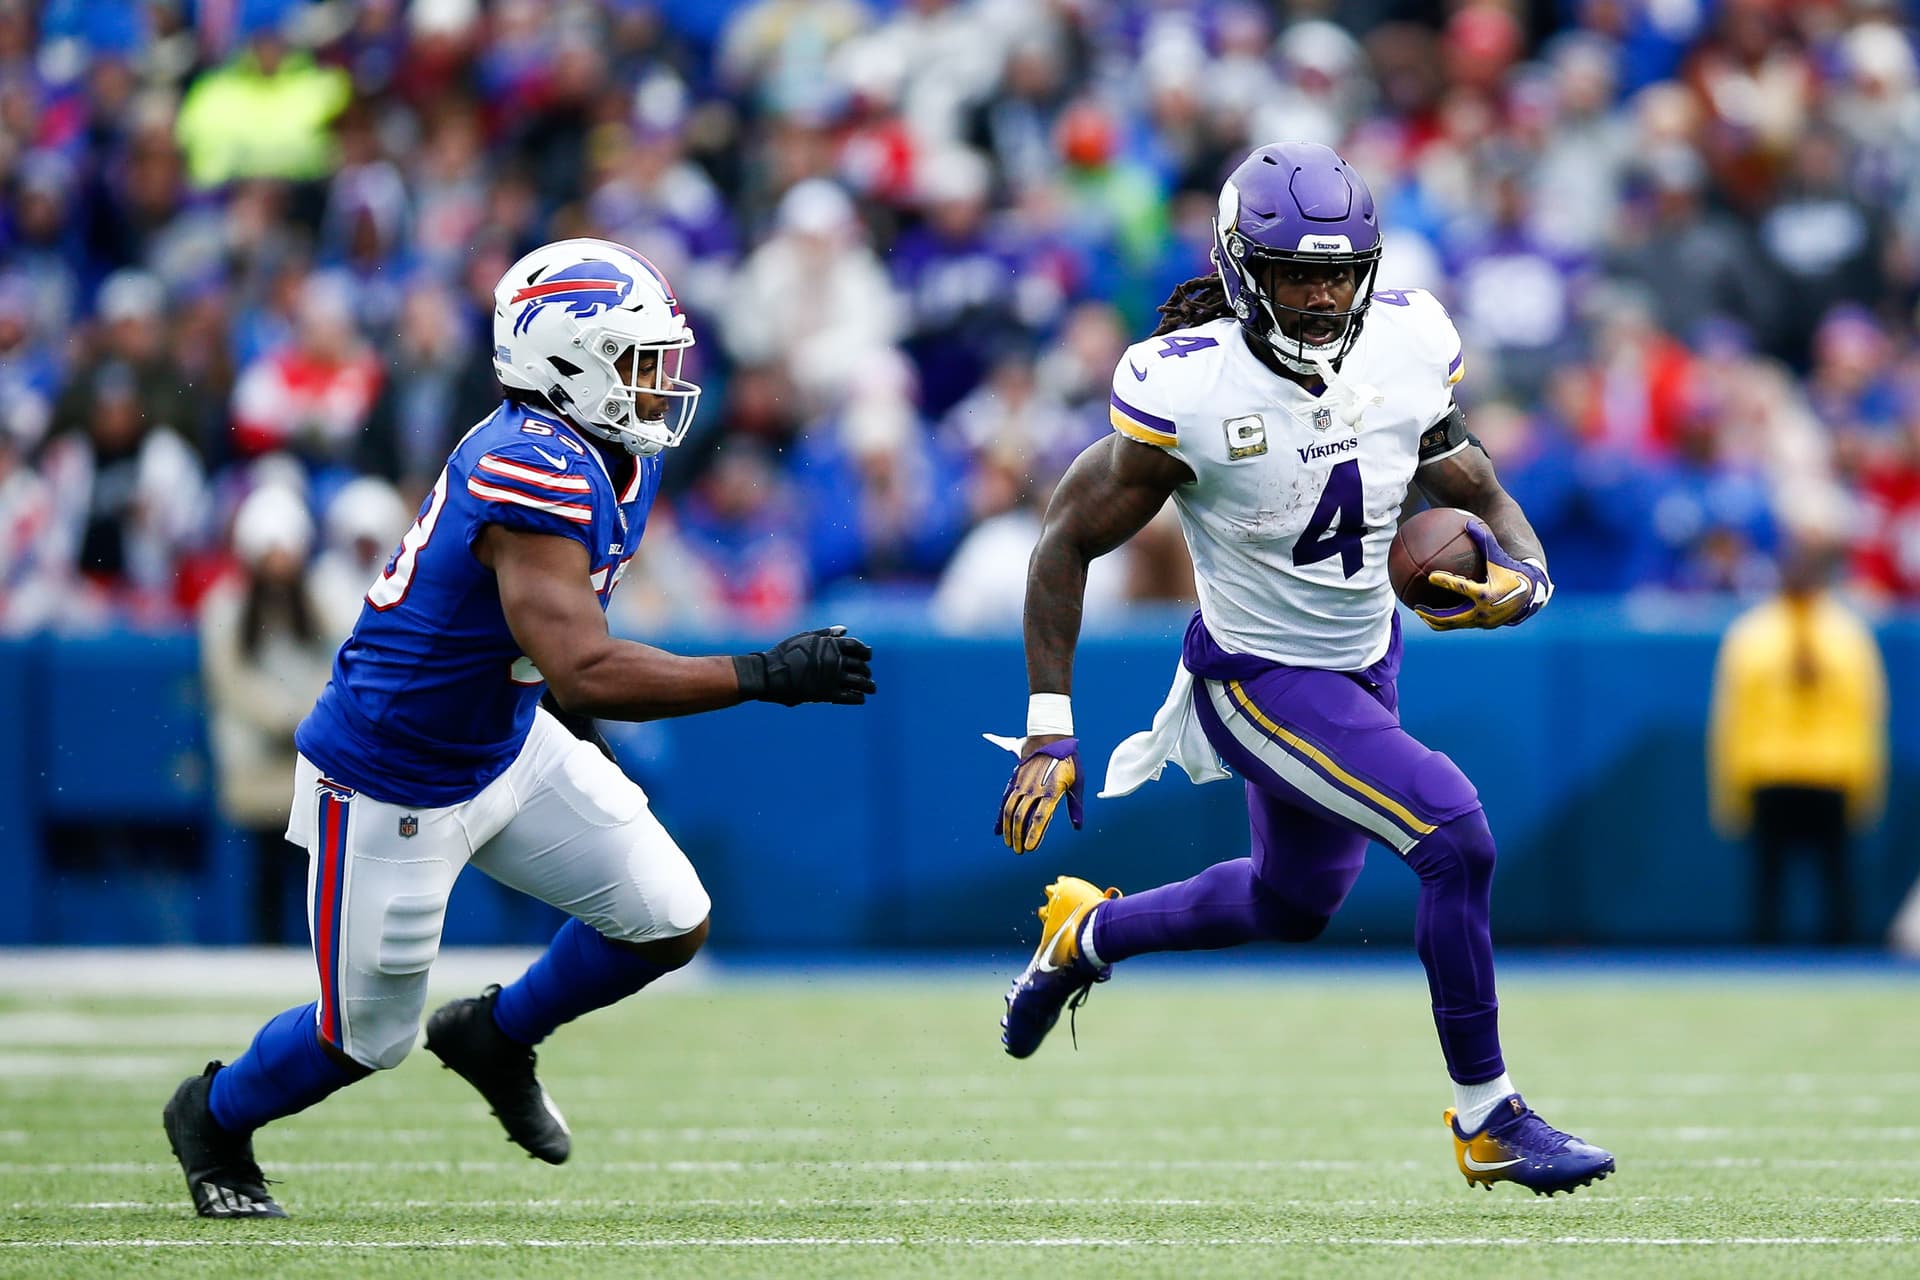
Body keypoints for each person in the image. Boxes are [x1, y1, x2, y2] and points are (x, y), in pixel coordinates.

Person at [162, 238, 877, 1219]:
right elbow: (584, 663)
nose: (661, 383)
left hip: (503, 737)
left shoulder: (610, 447)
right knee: (362, 1036)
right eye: (637, 360)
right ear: (568, 362)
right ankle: (213, 1114)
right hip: (390, 776)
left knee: (669, 915)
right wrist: (762, 673)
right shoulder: (529, 463)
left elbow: (562, 663)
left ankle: (499, 1031)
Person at [988, 143, 1614, 1197]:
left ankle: (1085, 932)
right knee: (1453, 835)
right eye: (1296, 273)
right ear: (1243, 270)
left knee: (1293, 901)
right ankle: (1488, 1115)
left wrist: (1528, 576)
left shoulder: (1409, 341)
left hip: (1365, 661)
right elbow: (1063, 538)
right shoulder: (1187, 387)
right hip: (1257, 678)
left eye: (1338, 271)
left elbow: (1471, 477)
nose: (1323, 295)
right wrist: (1051, 720)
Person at [1709, 536, 1887, 945]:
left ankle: (1839, 960)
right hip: (1774, 771)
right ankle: (1767, 963)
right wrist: (1731, 788)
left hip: (1828, 770)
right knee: (1770, 882)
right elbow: (1733, 717)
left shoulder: (1842, 633)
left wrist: (1866, 783)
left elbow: (1868, 713)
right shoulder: (1759, 634)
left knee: (1835, 881)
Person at [199, 484, 337, 943]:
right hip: (254, 765)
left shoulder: (323, 601)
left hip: (309, 764)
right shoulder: (226, 607)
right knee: (260, 876)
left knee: (313, 877)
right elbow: (231, 680)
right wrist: (282, 718)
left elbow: (337, 664)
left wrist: (306, 719)